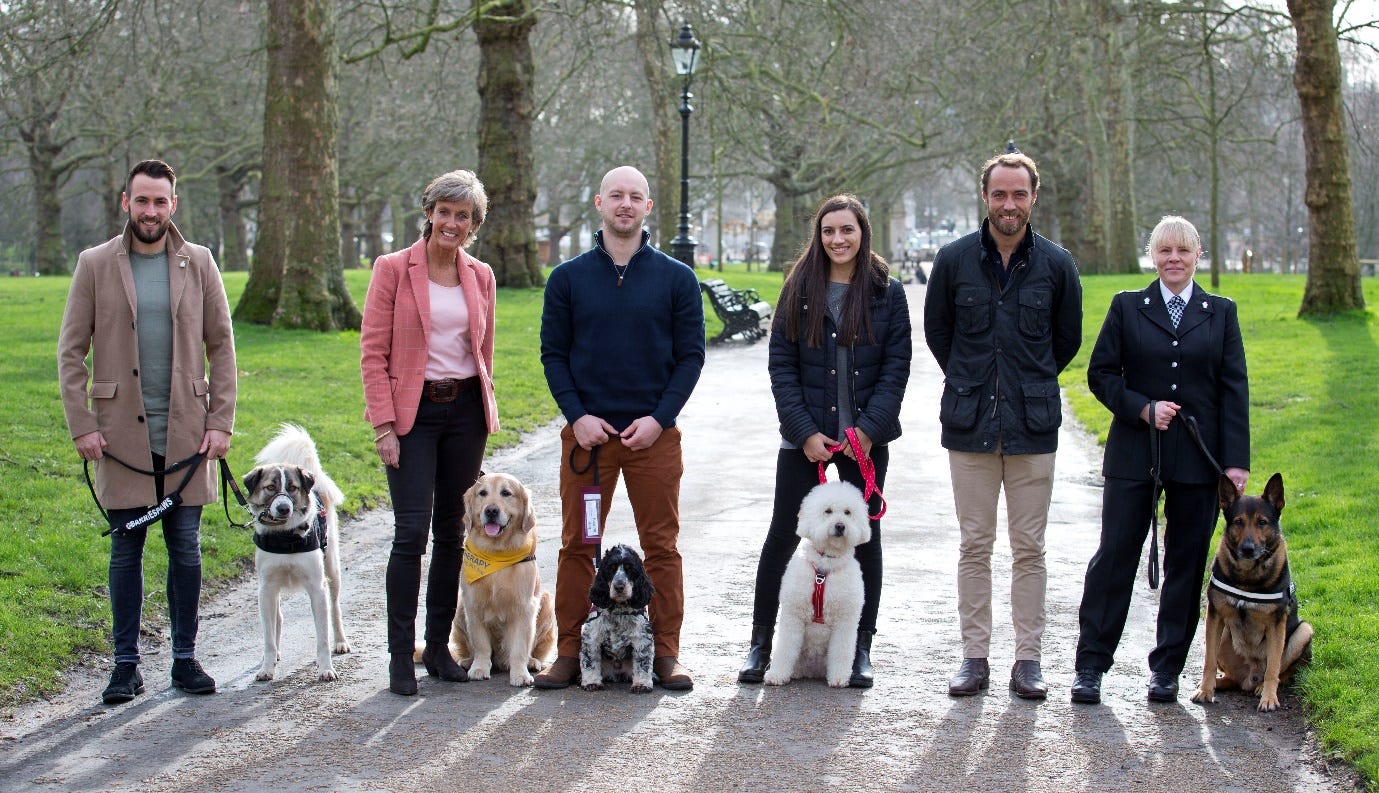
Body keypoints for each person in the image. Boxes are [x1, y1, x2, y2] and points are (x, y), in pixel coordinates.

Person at [58, 159, 237, 704]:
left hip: (186, 432)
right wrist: (82, 425)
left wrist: (221, 422)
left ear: (173, 205)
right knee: (125, 553)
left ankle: (185, 660)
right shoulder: (94, 264)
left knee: (186, 549)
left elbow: (222, 346)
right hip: (118, 437)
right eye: (142, 201)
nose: (151, 211)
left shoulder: (199, 263)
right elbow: (70, 352)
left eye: (160, 202)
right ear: (125, 202)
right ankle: (125, 666)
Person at [535, 165, 706, 690]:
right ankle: (568, 651)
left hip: (652, 439)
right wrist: (577, 416)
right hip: (590, 442)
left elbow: (691, 358)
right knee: (578, 545)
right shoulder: (568, 278)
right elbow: (553, 355)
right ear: (599, 203)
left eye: (635, 197)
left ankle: (666, 653)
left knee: (661, 546)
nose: (625, 204)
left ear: (648, 208)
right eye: (616, 196)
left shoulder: (677, 279)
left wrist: (660, 419)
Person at [923, 151, 1082, 700]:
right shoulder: (954, 261)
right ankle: (974, 657)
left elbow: (1066, 341)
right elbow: (939, 336)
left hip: (1032, 425)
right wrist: (974, 382)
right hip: (970, 424)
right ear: (985, 197)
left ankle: (1028, 660)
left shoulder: (1058, 266)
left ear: (1033, 197)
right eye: (999, 194)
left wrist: (1025, 386)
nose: (1008, 205)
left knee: (1030, 547)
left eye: (1018, 194)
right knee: (974, 544)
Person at [1071, 215, 1249, 705]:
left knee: (1186, 563)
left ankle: (1167, 668)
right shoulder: (1128, 307)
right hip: (1134, 452)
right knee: (1115, 557)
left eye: (1184, 251)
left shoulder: (1221, 312)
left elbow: (1234, 388)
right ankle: (1091, 665)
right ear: (1153, 255)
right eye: (1165, 250)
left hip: (1198, 458)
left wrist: (1235, 463)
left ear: (1198, 256)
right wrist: (1141, 408)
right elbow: (1101, 374)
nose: (1174, 259)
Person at [737, 194, 911, 688]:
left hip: (865, 440)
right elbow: (782, 367)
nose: (838, 240)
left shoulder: (886, 292)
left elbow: (896, 370)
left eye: (847, 230)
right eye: (829, 231)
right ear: (819, 234)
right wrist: (803, 432)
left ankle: (859, 648)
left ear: (863, 233)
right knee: (782, 535)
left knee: (865, 540)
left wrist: (867, 431)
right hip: (805, 437)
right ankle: (762, 642)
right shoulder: (799, 287)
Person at [360, 170, 500, 696]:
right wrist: (384, 425)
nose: (452, 222)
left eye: (462, 215)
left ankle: (437, 647)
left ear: (473, 224)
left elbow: (482, 352)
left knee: (451, 535)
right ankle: (401, 656)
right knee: (410, 533)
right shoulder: (394, 269)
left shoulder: (480, 276)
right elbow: (373, 353)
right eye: (444, 211)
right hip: (411, 415)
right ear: (430, 213)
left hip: (464, 412)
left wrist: (483, 410)